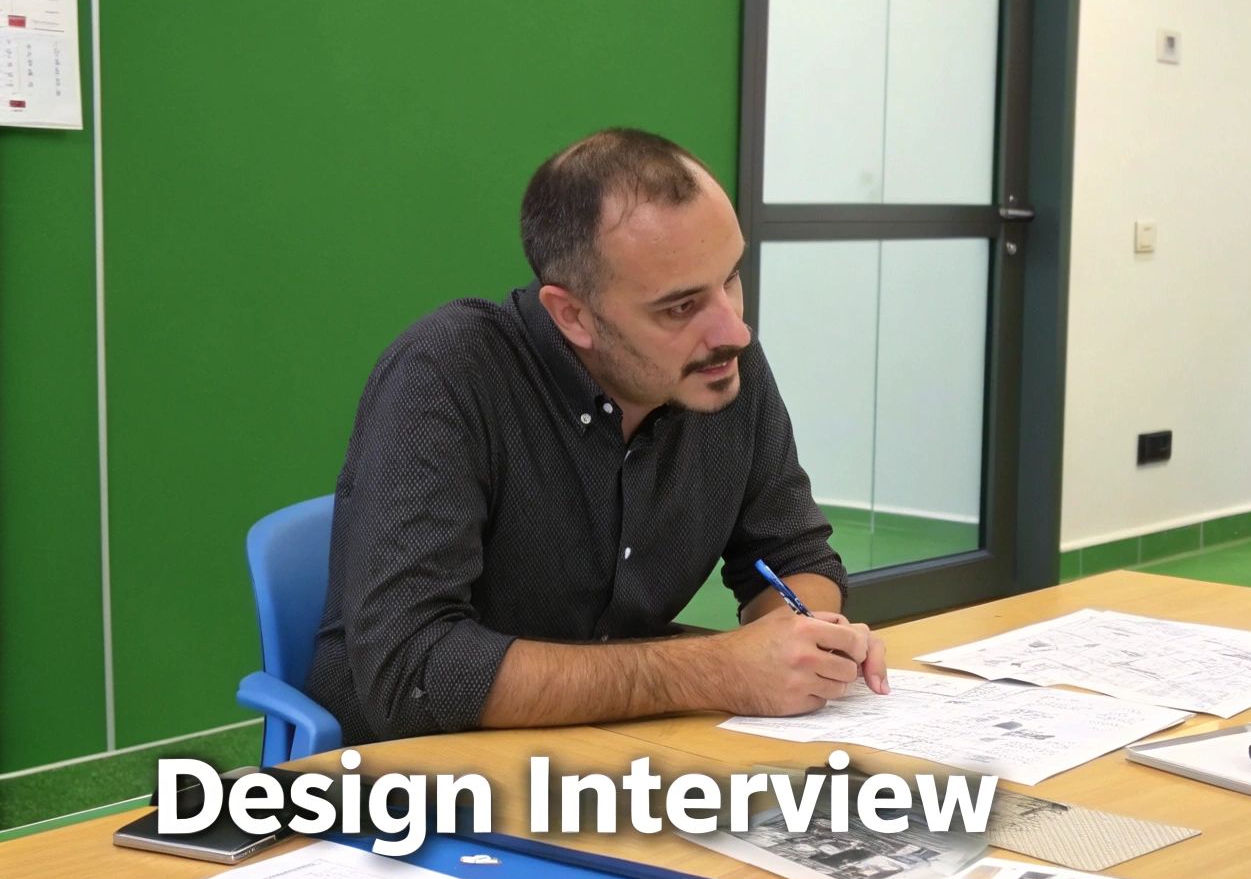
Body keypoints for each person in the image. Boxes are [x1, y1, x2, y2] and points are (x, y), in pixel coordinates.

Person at [306, 127, 887, 747]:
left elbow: (793, 556)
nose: (734, 330)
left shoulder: (715, 364)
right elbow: (414, 672)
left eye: (732, 278)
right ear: (573, 315)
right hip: (417, 773)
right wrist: (718, 670)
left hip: (621, 746)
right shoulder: (447, 375)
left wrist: (806, 641)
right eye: (680, 307)